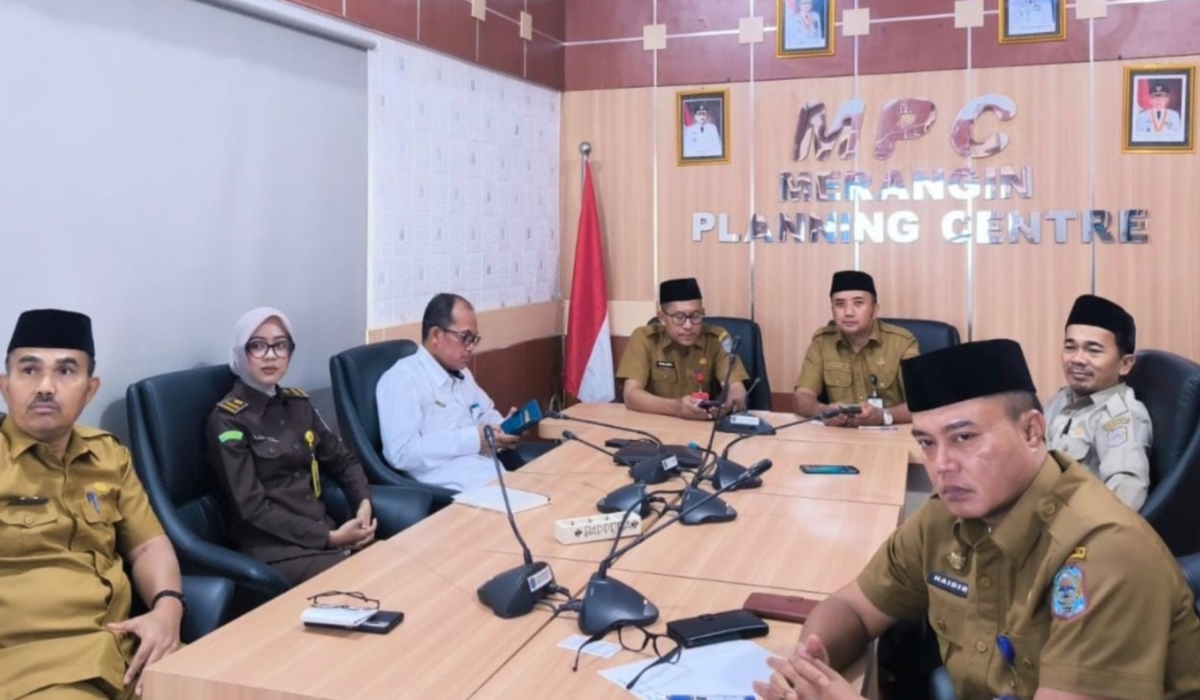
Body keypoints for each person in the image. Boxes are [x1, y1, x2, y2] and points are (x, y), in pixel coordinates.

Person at [755, 339, 1200, 700]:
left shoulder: (1105, 554)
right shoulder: (945, 516)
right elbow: (853, 607)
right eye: (927, 443)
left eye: (964, 437)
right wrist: (807, 664)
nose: (941, 465)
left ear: (1032, 431)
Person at [0, 309, 185, 699]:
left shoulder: (108, 456)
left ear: (90, 389)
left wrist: (168, 610)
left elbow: (149, 545)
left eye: (66, 371)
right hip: (36, 672)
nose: (45, 386)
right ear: (5, 385)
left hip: (129, 652)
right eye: (29, 370)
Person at [207, 308, 378, 586]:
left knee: (396, 565)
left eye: (280, 345)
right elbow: (251, 507)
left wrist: (363, 503)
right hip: (275, 552)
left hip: (324, 537)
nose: (271, 355)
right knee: (366, 581)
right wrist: (329, 538)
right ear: (240, 351)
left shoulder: (299, 406)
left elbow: (343, 461)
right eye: (258, 346)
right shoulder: (227, 421)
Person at [377, 293, 521, 492]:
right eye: (465, 338)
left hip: (491, 473)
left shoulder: (461, 373)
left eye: (474, 339)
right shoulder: (403, 378)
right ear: (436, 335)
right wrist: (471, 440)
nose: (471, 347)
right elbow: (401, 453)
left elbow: (484, 412)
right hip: (452, 489)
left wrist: (505, 427)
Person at [1045, 294, 1151, 510]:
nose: (1077, 359)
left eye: (1093, 350)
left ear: (1125, 364)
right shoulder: (1061, 399)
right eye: (1070, 347)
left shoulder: (1119, 416)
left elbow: (1125, 496)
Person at [792, 270, 919, 427]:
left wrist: (883, 415)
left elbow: (921, 403)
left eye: (858, 303)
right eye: (840, 304)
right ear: (832, 310)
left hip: (889, 434)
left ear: (875, 309)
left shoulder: (902, 343)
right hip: (839, 435)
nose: (848, 313)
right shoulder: (822, 342)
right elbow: (802, 396)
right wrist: (822, 411)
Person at [616, 278, 749, 420]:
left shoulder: (717, 339)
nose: (688, 326)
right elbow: (631, 395)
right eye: (679, 317)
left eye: (695, 316)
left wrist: (727, 405)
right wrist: (676, 408)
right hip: (656, 423)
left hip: (702, 424)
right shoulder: (645, 339)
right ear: (662, 318)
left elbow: (737, 389)